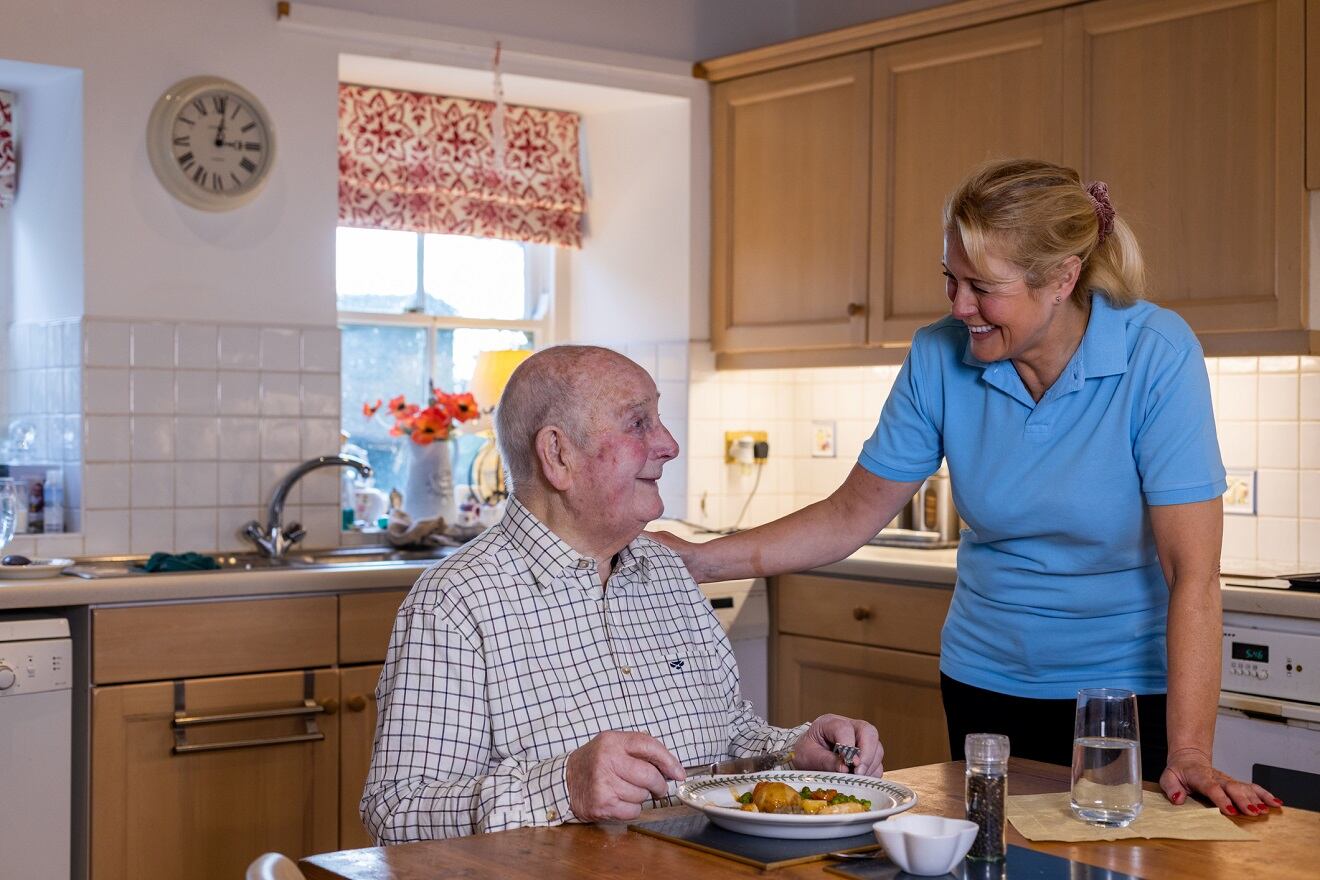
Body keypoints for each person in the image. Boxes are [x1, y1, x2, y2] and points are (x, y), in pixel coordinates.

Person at [655, 159, 1280, 818]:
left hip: (1123, 696)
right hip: (986, 679)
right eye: (950, 279)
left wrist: (1187, 750)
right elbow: (849, 515)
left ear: (1062, 278)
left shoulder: (1155, 353)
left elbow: (1193, 575)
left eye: (982, 287)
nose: (958, 307)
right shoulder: (938, 355)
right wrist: (697, 559)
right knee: (993, 854)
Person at [360, 345, 883, 843]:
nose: (669, 445)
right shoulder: (456, 601)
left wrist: (796, 753)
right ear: (557, 454)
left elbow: (728, 738)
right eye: (640, 424)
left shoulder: (666, 571)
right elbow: (396, 812)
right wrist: (562, 787)